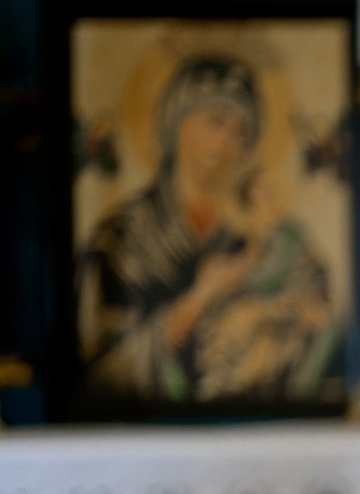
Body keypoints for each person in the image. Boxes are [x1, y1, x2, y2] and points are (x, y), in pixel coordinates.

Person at [76, 53, 340, 404]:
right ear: (175, 125)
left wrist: (266, 314)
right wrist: (197, 300)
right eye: (215, 123)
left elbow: (323, 320)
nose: (225, 143)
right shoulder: (122, 236)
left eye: (239, 133)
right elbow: (101, 368)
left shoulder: (271, 235)